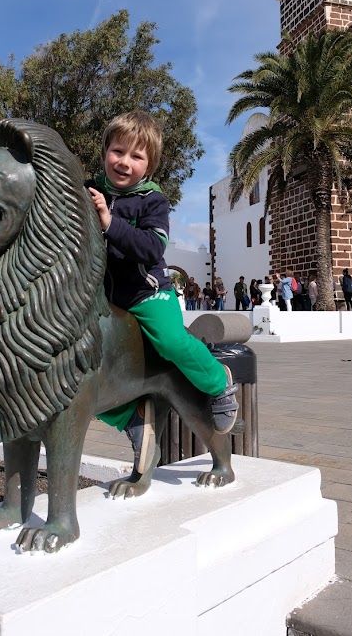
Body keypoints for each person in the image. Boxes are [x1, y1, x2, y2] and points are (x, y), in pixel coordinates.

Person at [86, 111, 238, 471]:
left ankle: (218, 380)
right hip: (104, 301)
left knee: (171, 342)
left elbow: (153, 249)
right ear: (105, 150)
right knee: (81, 366)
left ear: (149, 165)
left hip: (146, 294)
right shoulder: (88, 190)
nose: (124, 162)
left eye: (136, 156)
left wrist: (109, 222)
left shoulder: (153, 201)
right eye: (117, 151)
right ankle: (130, 415)